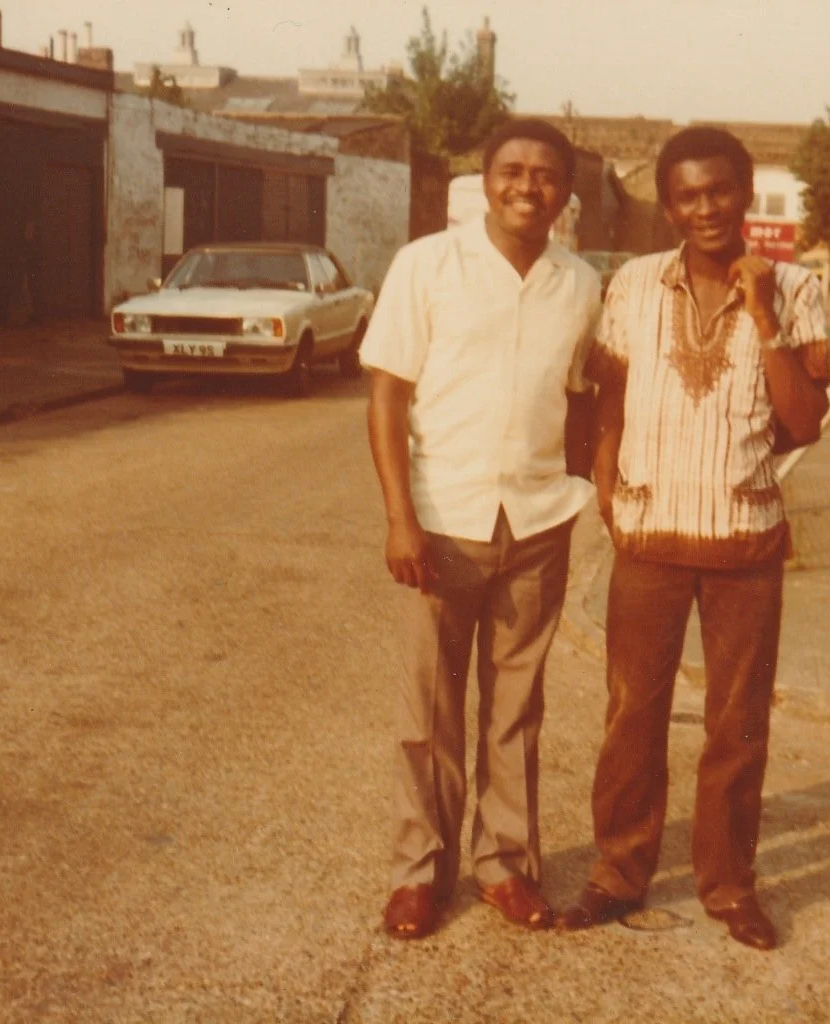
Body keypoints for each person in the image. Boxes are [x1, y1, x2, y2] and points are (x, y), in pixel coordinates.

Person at [561, 127, 830, 951]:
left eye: (719, 191)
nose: (705, 207)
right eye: (687, 194)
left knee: (738, 722)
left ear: (745, 193)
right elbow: (605, 397)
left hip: (744, 541)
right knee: (631, 716)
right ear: (669, 204)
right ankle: (618, 870)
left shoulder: (795, 287)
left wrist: (764, 316)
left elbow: (804, 419)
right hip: (648, 536)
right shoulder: (635, 284)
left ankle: (727, 884)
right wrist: (606, 483)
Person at [362, 118, 600, 941]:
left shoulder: (580, 283)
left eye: (545, 176)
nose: (527, 187)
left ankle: (504, 866)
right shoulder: (427, 264)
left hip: (536, 521)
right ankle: (419, 873)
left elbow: (579, 396)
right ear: (485, 176)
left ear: (565, 194)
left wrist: (584, 485)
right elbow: (387, 396)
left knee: (516, 710)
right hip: (441, 521)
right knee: (429, 712)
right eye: (512, 170)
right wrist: (401, 519)